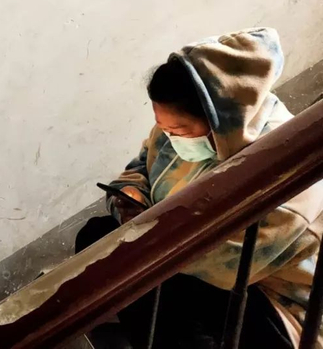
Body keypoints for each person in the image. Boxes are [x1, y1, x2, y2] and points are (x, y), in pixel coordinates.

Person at [76, 28, 323, 349]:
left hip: (268, 297)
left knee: (156, 283)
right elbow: (138, 170)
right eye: (163, 127)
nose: (170, 137)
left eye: (179, 130)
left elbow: (223, 267)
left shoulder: (286, 180)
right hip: (178, 250)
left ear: (220, 120)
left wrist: (145, 235)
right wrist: (130, 200)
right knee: (96, 238)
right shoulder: (177, 130)